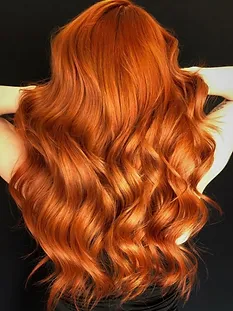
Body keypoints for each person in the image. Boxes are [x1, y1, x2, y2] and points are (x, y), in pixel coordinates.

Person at [0, 0, 233, 310]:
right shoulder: (192, 157)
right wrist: (180, 79)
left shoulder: (36, 163)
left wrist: (53, 95)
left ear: (71, 72)